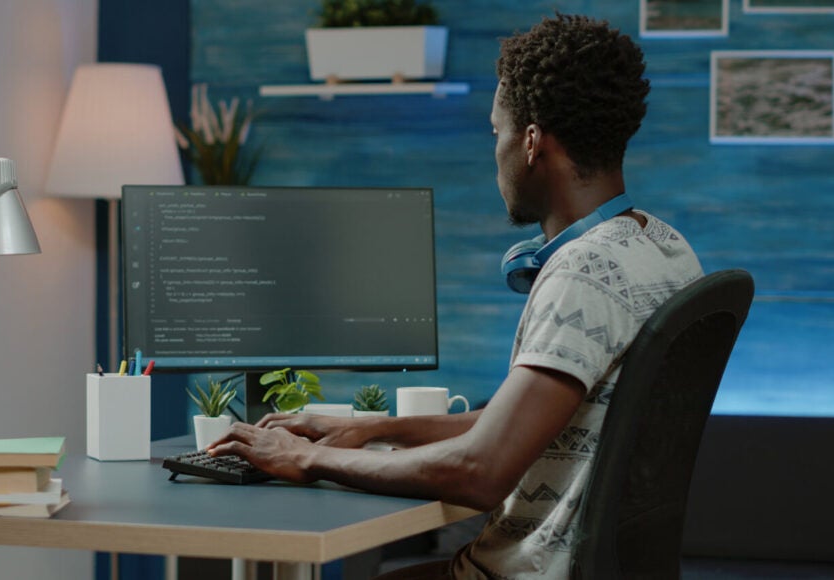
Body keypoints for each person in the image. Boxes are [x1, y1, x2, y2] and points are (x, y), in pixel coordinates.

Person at [209, 13, 704, 579]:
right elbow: (508, 427)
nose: (496, 150)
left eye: (498, 132)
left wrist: (311, 457)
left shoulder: (583, 273)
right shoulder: (662, 247)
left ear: (533, 141)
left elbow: (482, 469)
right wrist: (375, 429)